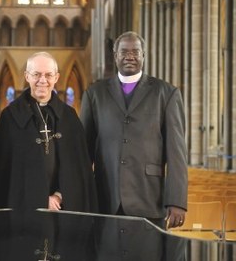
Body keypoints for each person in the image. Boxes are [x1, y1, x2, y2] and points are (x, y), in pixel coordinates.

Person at [0, 52, 97, 260]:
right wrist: (38, 197)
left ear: (56, 78)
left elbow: (80, 172)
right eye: (36, 74)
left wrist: (60, 195)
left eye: (47, 75)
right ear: (27, 76)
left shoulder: (70, 118)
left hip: (62, 213)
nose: (42, 80)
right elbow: (0, 175)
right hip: (22, 216)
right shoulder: (9, 119)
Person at [80, 31, 188, 229]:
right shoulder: (95, 94)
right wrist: (81, 196)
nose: (130, 56)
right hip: (105, 197)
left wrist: (177, 201)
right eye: (124, 51)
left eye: (135, 52)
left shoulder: (166, 93)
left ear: (144, 56)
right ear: (115, 56)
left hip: (149, 197)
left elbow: (176, 152)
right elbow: (83, 153)